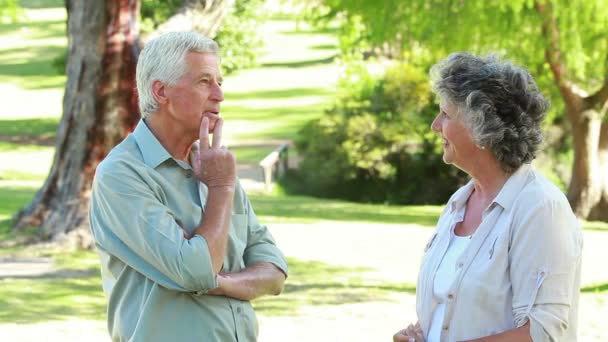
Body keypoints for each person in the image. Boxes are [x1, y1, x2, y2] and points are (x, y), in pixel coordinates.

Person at [89, 31, 288, 342]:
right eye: (204, 82)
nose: (219, 95)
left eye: (219, 82)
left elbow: (274, 271)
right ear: (161, 91)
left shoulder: (214, 164)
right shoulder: (121, 175)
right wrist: (221, 188)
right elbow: (197, 271)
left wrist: (219, 283)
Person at [393, 52, 583, 342]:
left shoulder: (541, 208)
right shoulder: (458, 202)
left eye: (445, 114)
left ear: (481, 127)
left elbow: (544, 332)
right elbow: (452, 306)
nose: (434, 125)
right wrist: (420, 334)